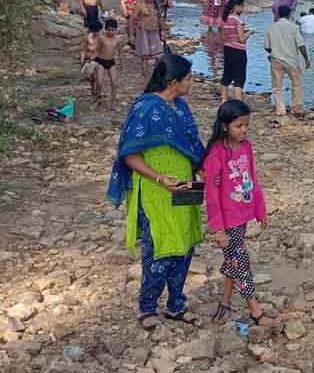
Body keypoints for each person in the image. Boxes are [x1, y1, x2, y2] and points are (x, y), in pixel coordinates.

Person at [106, 54, 206, 330]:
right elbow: (130, 155)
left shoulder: (181, 107)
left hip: (185, 186)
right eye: (188, 78)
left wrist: (205, 171)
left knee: (185, 245)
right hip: (156, 189)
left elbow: (191, 145)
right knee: (160, 247)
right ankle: (147, 307)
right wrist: (160, 177)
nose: (192, 82)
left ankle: (176, 305)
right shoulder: (146, 109)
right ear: (173, 82)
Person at [203, 100, 279, 327]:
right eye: (239, 125)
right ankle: (255, 311)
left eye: (246, 125)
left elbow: (252, 180)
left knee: (233, 261)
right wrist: (218, 228)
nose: (244, 130)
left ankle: (225, 303)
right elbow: (211, 194)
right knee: (240, 262)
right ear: (225, 126)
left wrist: (260, 209)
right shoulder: (217, 154)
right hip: (227, 222)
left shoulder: (246, 147)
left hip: (242, 215)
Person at [265, 6, 311, 116]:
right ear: (289, 14)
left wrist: (275, 51)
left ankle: (281, 110)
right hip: (291, 61)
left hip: (276, 60)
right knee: (297, 84)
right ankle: (297, 108)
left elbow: (266, 46)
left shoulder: (272, 27)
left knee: (277, 87)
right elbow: (301, 45)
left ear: (278, 14)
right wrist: (306, 58)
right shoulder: (294, 27)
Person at [221, 3, 255, 104]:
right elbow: (242, 39)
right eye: (242, 6)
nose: (243, 9)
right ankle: (238, 102)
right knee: (239, 76)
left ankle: (223, 99)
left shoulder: (225, 19)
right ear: (236, 7)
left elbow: (224, 37)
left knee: (227, 73)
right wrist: (250, 32)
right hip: (238, 51)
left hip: (227, 49)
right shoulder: (238, 20)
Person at [94, 18, 124, 110]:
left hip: (111, 62)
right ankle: (97, 99)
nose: (111, 32)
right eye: (109, 30)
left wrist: (122, 63)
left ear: (116, 30)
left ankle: (113, 103)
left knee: (114, 83)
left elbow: (120, 53)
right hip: (100, 61)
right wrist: (92, 61)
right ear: (105, 29)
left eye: (113, 30)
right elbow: (96, 50)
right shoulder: (101, 38)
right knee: (99, 82)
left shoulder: (117, 40)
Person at [133, 0, 165, 79]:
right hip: (143, 32)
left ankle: (158, 75)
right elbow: (133, 18)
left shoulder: (156, 4)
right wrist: (131, 34)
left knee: (159, 55)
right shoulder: (140, 4)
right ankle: (146, 77)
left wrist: (164, 31)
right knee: (145, 57)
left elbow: (160, 18)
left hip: (154, 31)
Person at [81, 22, 102, 99]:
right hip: (90, 60)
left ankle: (98, 93)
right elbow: (84, 49)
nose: (98, 32)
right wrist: (82, 60)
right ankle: (93, 91)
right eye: (96, 31)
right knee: (92, 78)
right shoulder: (87, 38)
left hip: (100, 60)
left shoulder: (101, 38)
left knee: (98, 78)